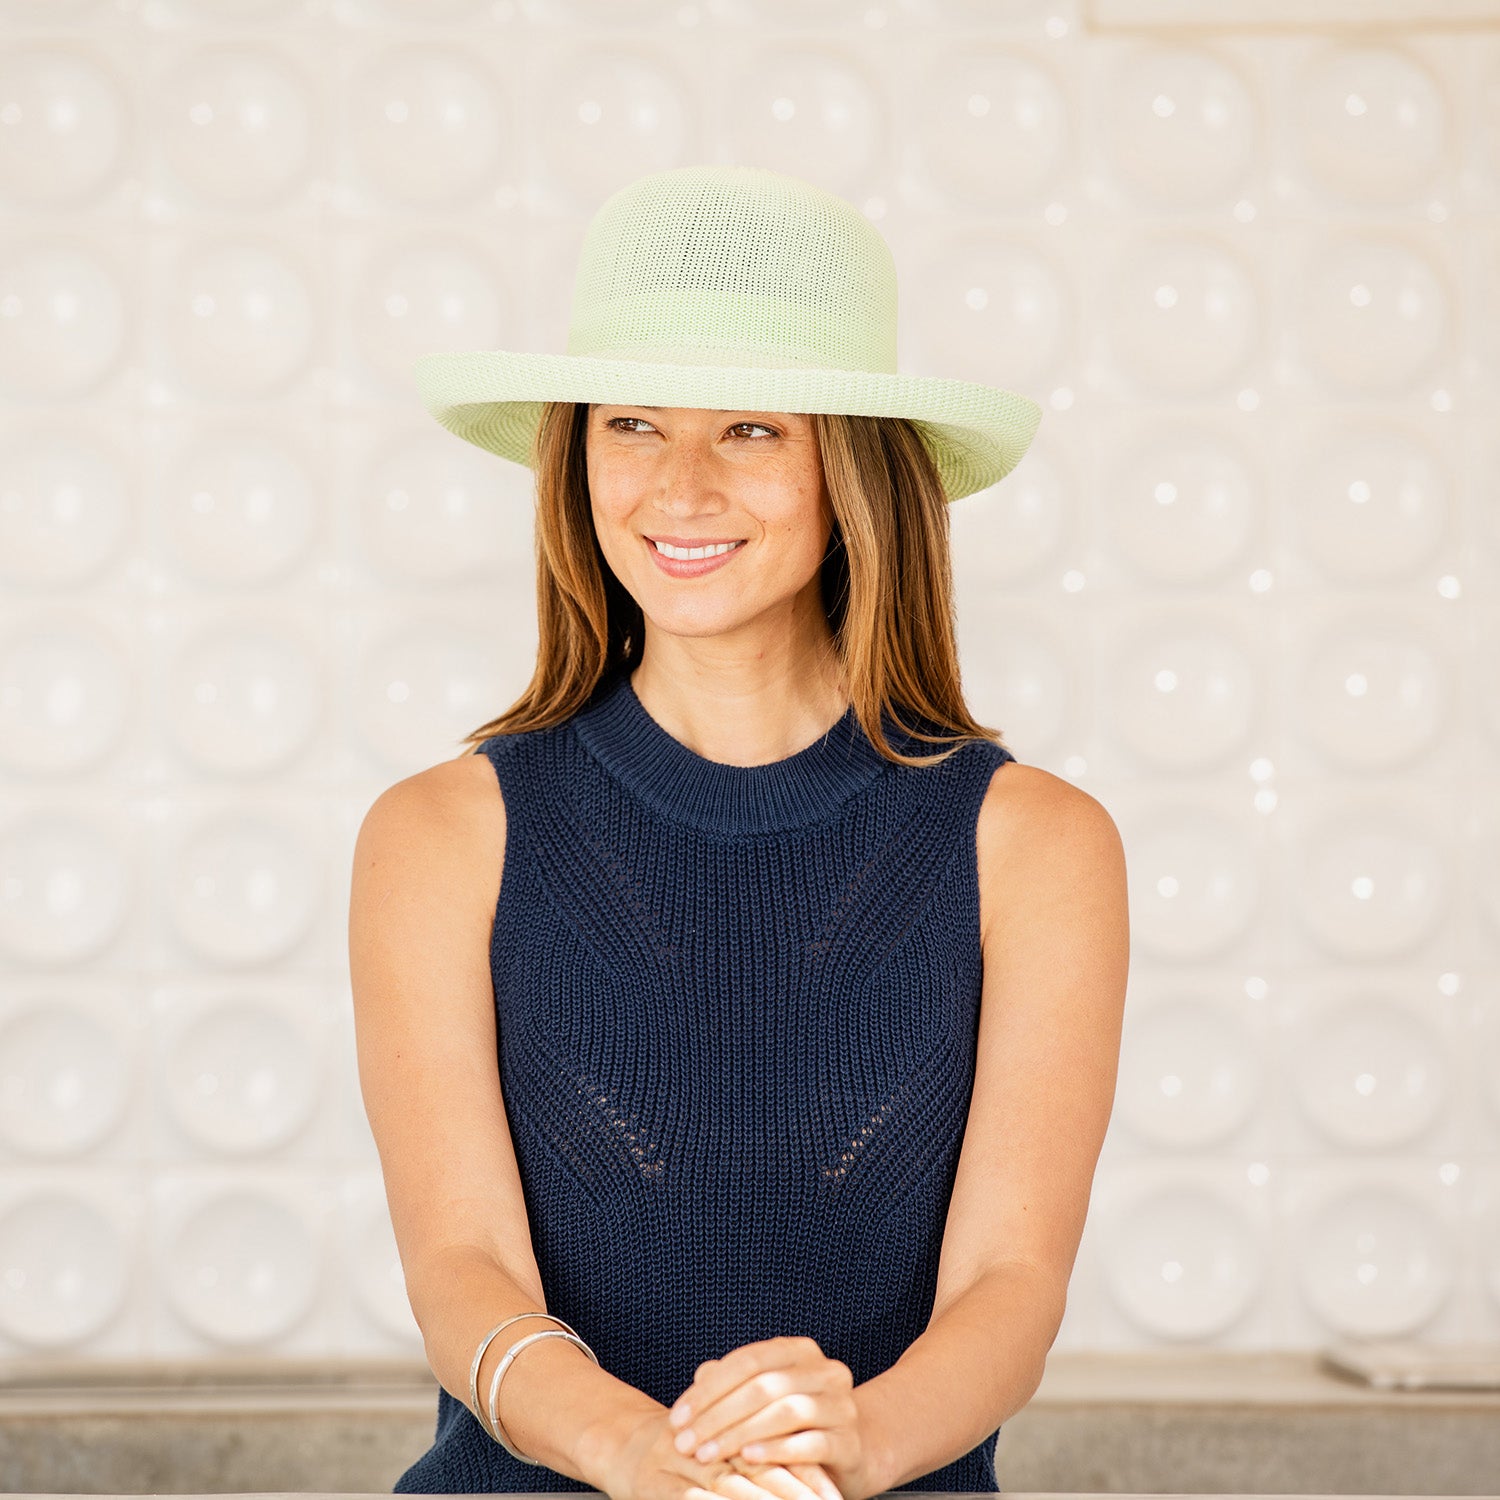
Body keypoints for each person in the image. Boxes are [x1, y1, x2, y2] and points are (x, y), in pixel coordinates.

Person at [348, 164, 1129, 1500]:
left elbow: (1011, 1288)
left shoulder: (1036, 846)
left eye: (753, 431)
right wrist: (637, 1454)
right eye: (633, 424)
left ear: (855, 473)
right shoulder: (439, 836)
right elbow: (458, 1265)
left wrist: (848, 1448)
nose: (680, 485)